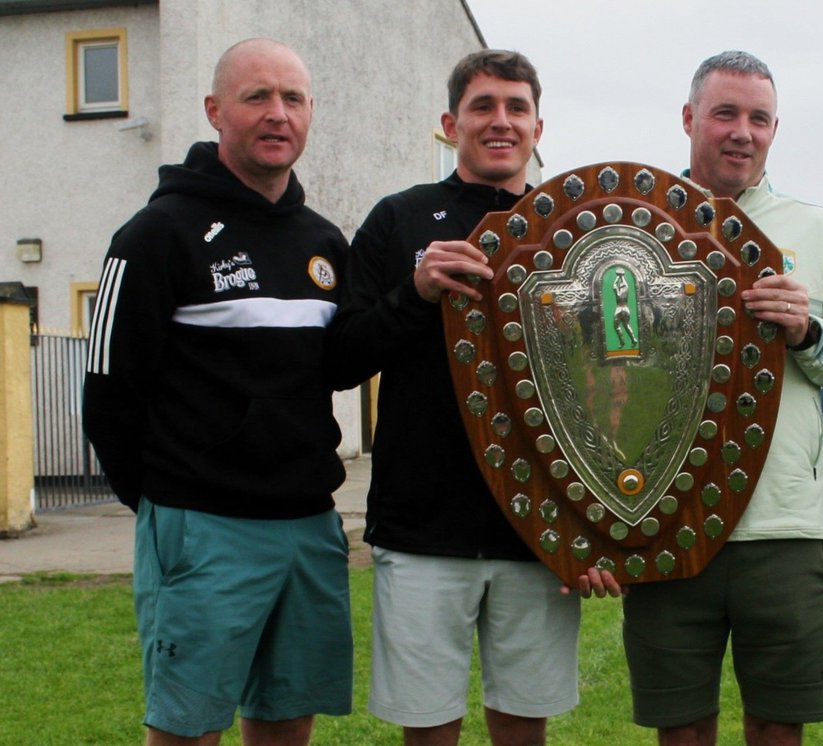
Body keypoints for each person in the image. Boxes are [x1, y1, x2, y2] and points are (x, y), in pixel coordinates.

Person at [327, 50, 605, 746]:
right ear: (451, 123)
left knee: (522, 723)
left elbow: (606, 387)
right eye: (483, 106)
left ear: (540, 125)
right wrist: (415, 292)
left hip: (535, 530)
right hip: (423, 528)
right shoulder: (399, 220)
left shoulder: (574, 228)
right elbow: (342, 356)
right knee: (428, 727)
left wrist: (593, 524)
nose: (500, 121)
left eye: (516, 107)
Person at [614, 50, 823, 746]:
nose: (743, 131)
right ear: (689, 118)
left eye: (759, 118)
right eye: (726, 113)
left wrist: (807, 331)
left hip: (785, 530)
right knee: (681, 727)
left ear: (774, 129)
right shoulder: (629, 226)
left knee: (776, 725)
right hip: (666, 522)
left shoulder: (819, 231)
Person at [82, 38, 353, 745]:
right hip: (202, 527)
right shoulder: (155, 234)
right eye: (255, 96)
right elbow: (108, 390)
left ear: (310, 113)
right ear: (215, 110)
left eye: (292, 98)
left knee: (287, 722)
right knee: (187, 730)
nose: (276, 114)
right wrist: (167, 499)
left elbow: (349, 357)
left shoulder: (322, 242)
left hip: (308, 527)